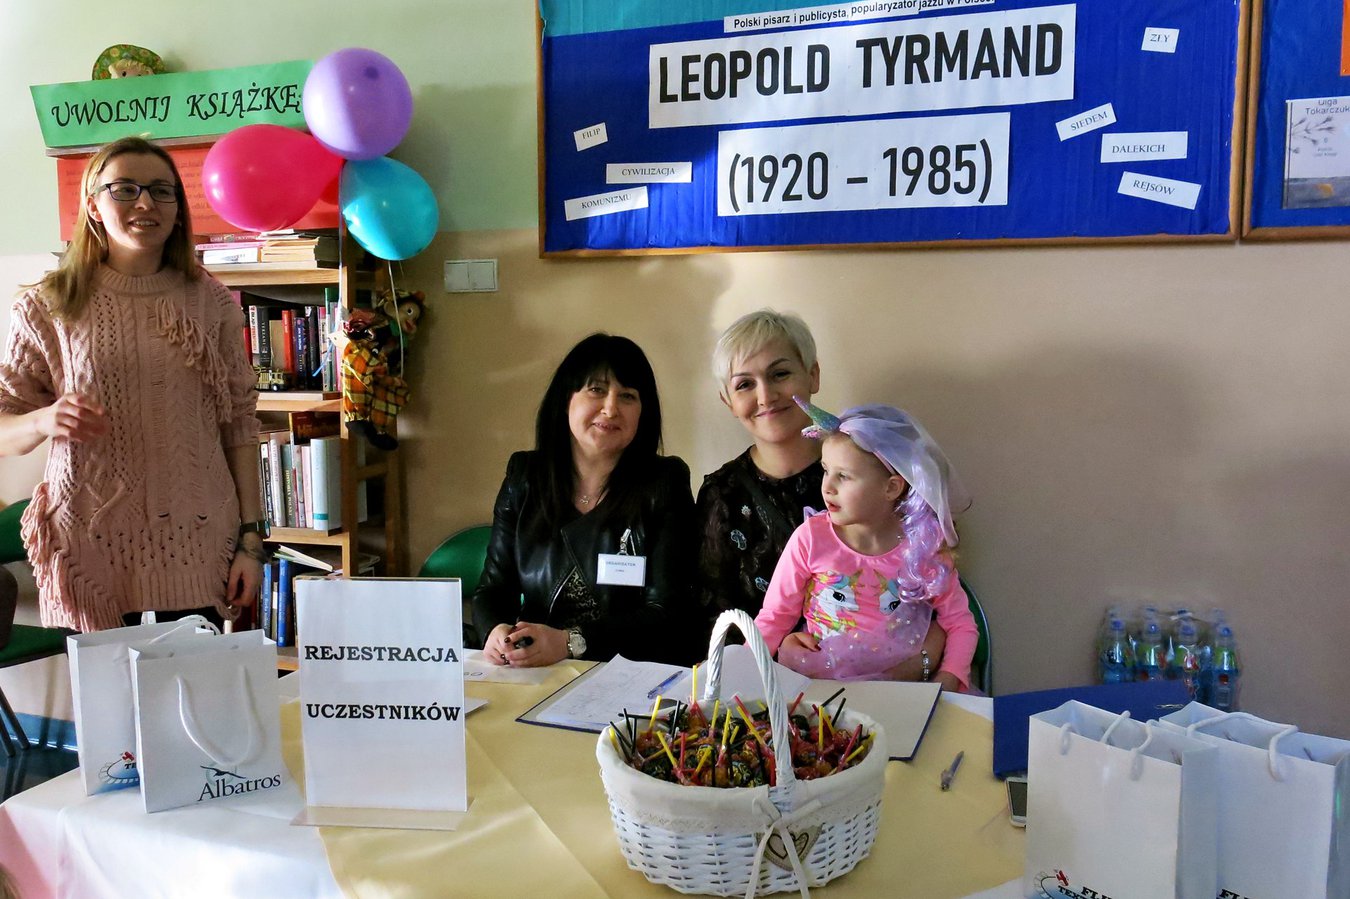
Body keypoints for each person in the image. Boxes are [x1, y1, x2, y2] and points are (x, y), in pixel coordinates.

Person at [0, 136, 264, 632]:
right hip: (89, 548)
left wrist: (252, 540)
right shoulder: (49, 304)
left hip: (197, 540)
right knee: (106, 685)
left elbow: (240, 426)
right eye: (124, 189)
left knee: (194, 680)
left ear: (179, 210)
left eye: (162, 191)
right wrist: (43, 420)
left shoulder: (210, 302)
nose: (145, 203)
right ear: (93, 206)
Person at [694, 310, 946, 673]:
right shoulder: (721, 494)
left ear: (812, 375)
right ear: (727, 400)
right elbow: (718, 619)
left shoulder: (876, 473)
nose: (765, 396)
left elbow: (936, 605)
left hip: (891, 679)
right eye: (744, 384)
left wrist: (913, 669)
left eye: (780, 374)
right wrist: (783, 656)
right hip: (771, 689)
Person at [473, 333, 695, 667]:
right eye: (596, 390)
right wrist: (495, 631)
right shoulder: (525, 477)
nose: (611, 408)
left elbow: (667, 611)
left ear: (643, 413)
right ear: (566, 399)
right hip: (535, 670)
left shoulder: (664, 483)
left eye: (628, 396)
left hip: (627, 671)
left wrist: (570, 642)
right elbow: (493, 589)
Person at [754, 399, 979, 691]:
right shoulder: (810, 539)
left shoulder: (923, 547)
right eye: (826, 470)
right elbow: (775, 617)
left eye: (844, 476)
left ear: (891, 487)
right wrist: (741, 666)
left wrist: (949, 677)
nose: (827, 487)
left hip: (900, 690)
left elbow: (960, 623)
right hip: (824, 689)